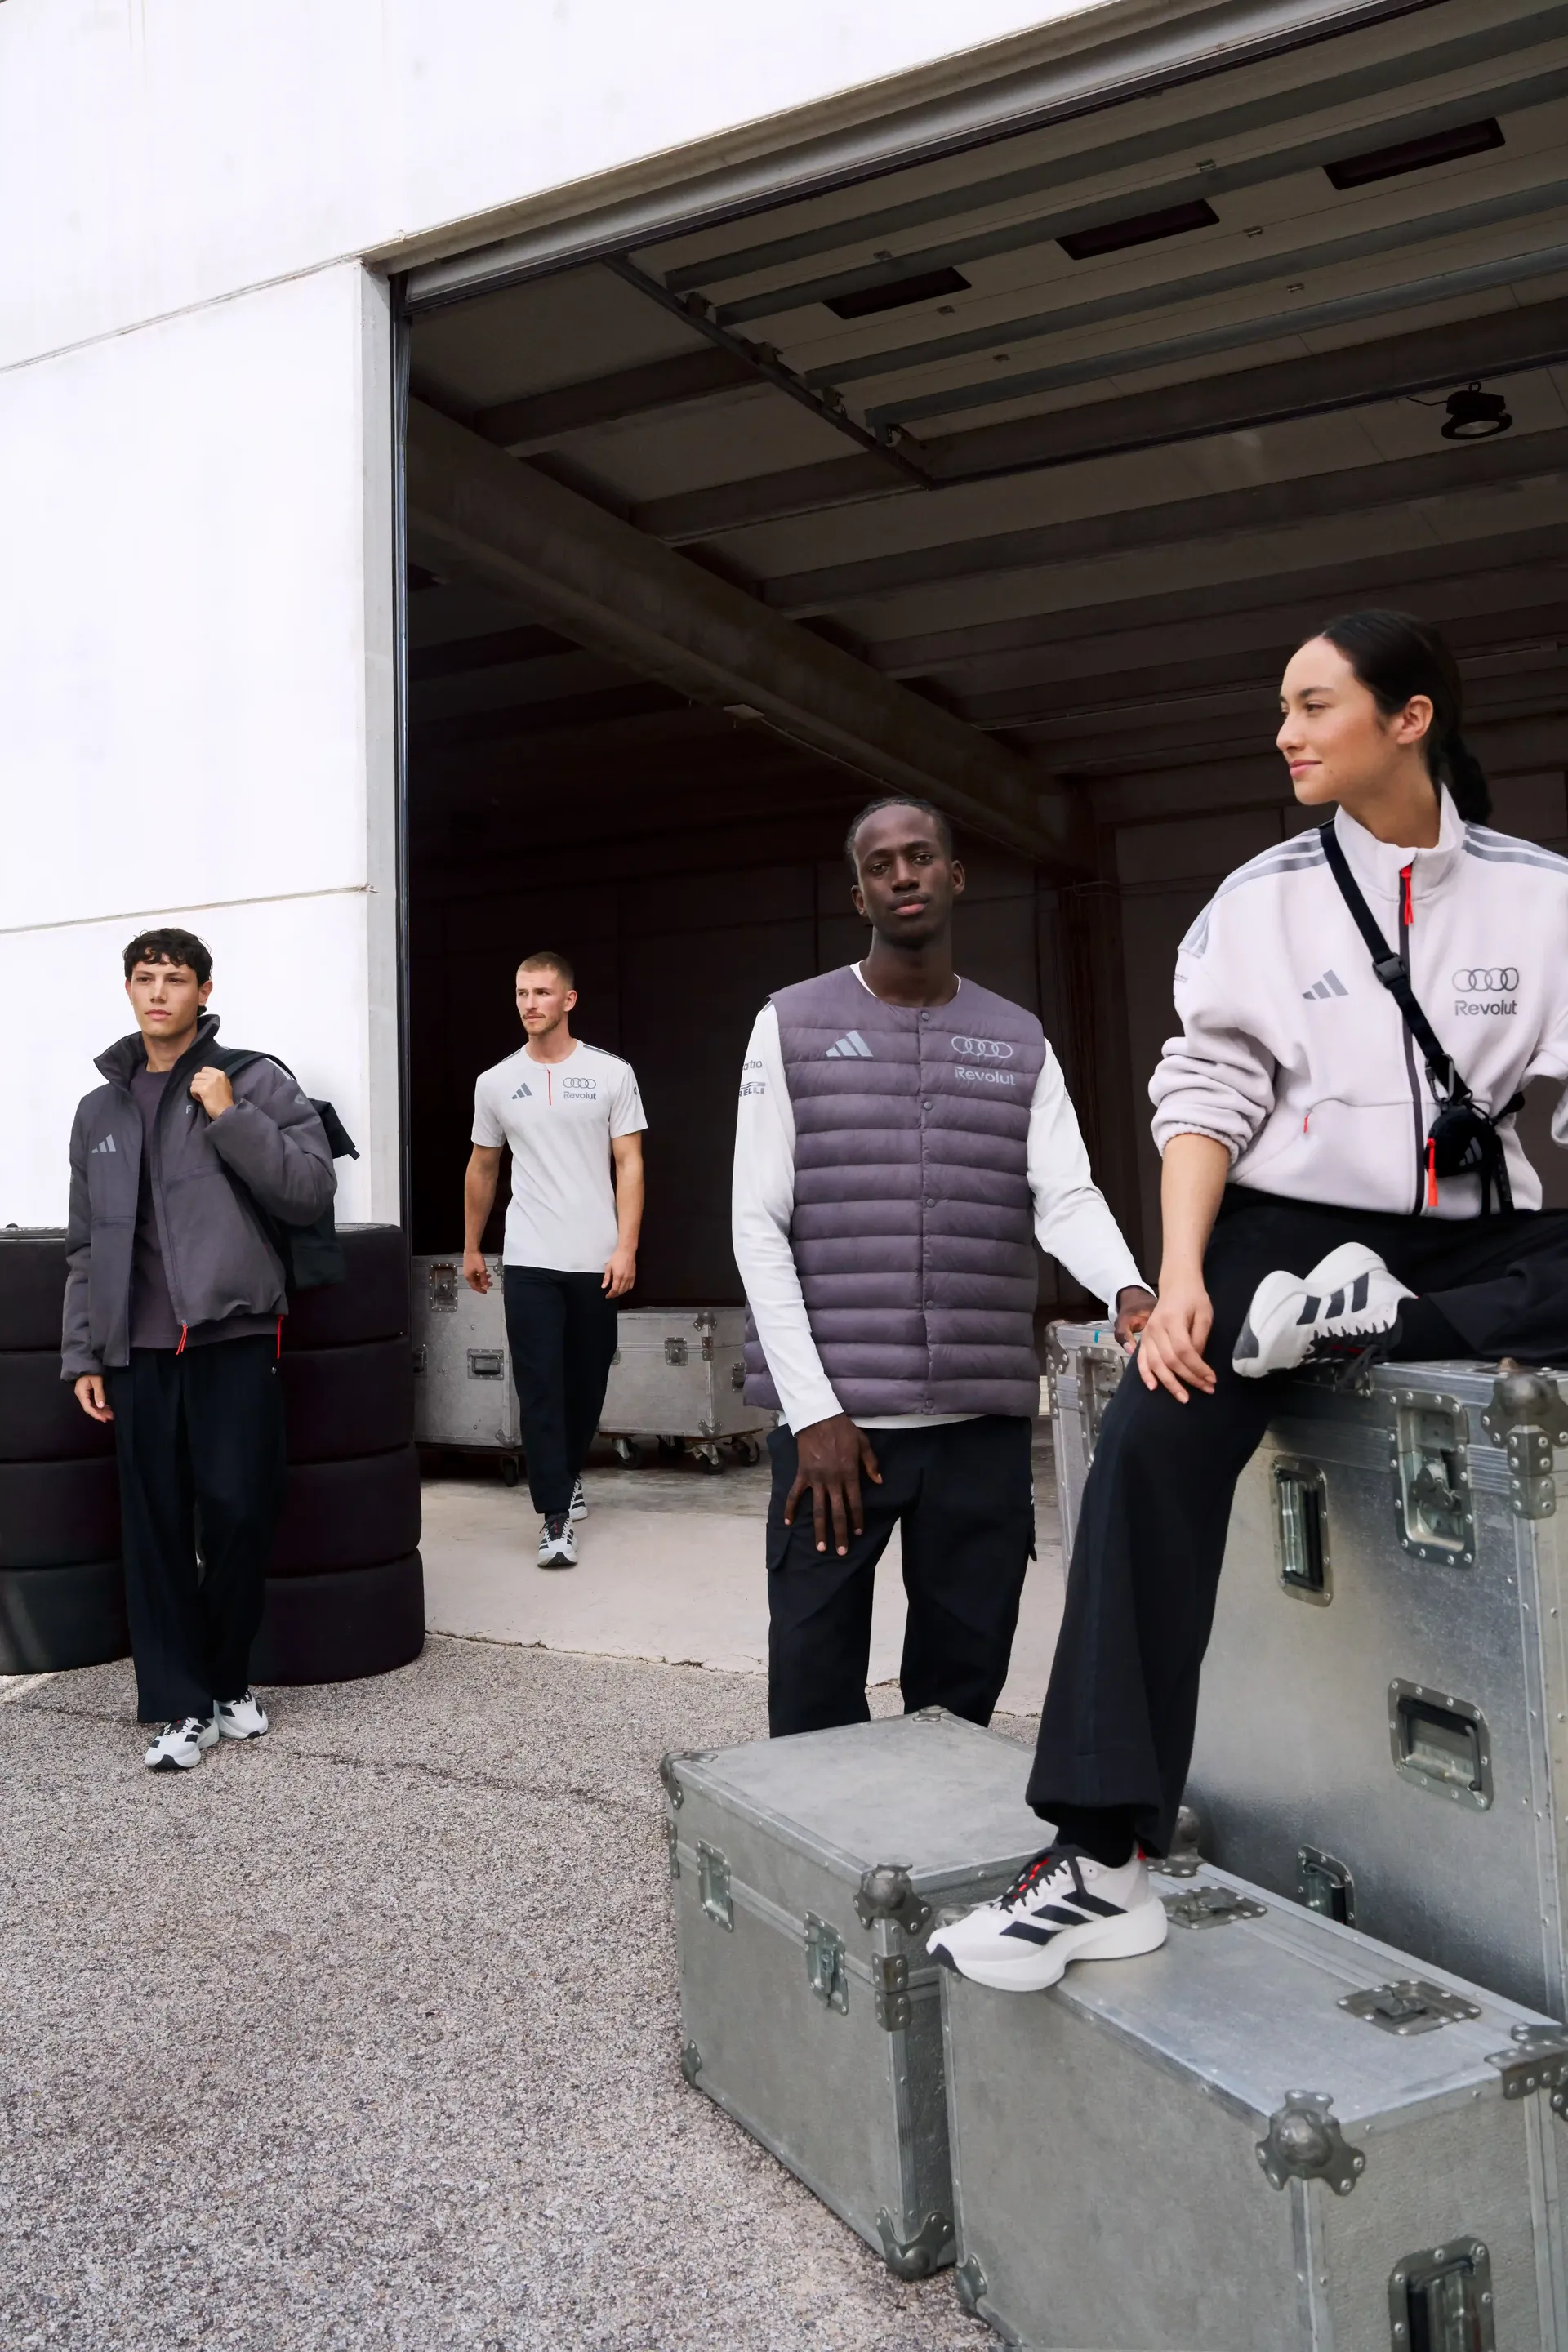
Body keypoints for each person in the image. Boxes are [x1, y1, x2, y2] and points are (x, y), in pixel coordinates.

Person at [931, 609, 1568, 1993]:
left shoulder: (1539, 894)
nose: (1283, 732)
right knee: (1154, 1450)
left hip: (1473, 1239)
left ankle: (1382, 1318)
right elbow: (1204, 1099)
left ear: (1409, 719)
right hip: (1287, 1231)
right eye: (1282, 706)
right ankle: (1103, 1861)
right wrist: (1175, 1287)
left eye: (1314, 704)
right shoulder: (1262, 898)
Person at [733, 795, 1154, 1738]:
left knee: (963, 1687)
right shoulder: (790, 1026)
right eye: (881, 866)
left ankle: (931, 1867)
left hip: (980, 1433)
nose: (904, 875)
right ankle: (818, 1865)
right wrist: (817, 1415)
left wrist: (1129, 1288)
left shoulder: (1018, 1039)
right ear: (859, 895)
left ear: (955, 876)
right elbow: (756, 1225)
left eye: (920, 857)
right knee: (813, 1681)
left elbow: (1067, 1196)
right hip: (839, 1438)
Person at [64, 929, 336, 1772]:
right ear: (128, 991)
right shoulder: (98, 1109)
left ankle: (226, 1679)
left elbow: (309, 1188)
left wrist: (231, 1117)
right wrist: (83, 1353)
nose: (158, 993)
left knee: (241, 1512)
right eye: (144, 979)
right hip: (137, 1348)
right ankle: (181, 1705)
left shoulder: (254, 1081)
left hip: (233, 1331)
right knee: (152, 1532)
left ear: (204, 992)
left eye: (174, 980)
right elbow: (85, 1244)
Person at [464, 951, 646, 1569]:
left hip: (595, 1256)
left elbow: (630, 1163)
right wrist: (470, 1244)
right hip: (531, 1256)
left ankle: (567, 1472)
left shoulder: (611, 1074)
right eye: (521, 993)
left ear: (569, 1000)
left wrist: (626, 1246)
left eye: (542, 993)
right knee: (539, 1385)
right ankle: (554, 1516)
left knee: (585, 1382)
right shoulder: (495, 1082)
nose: (529, 1004)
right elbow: (482, 1167)